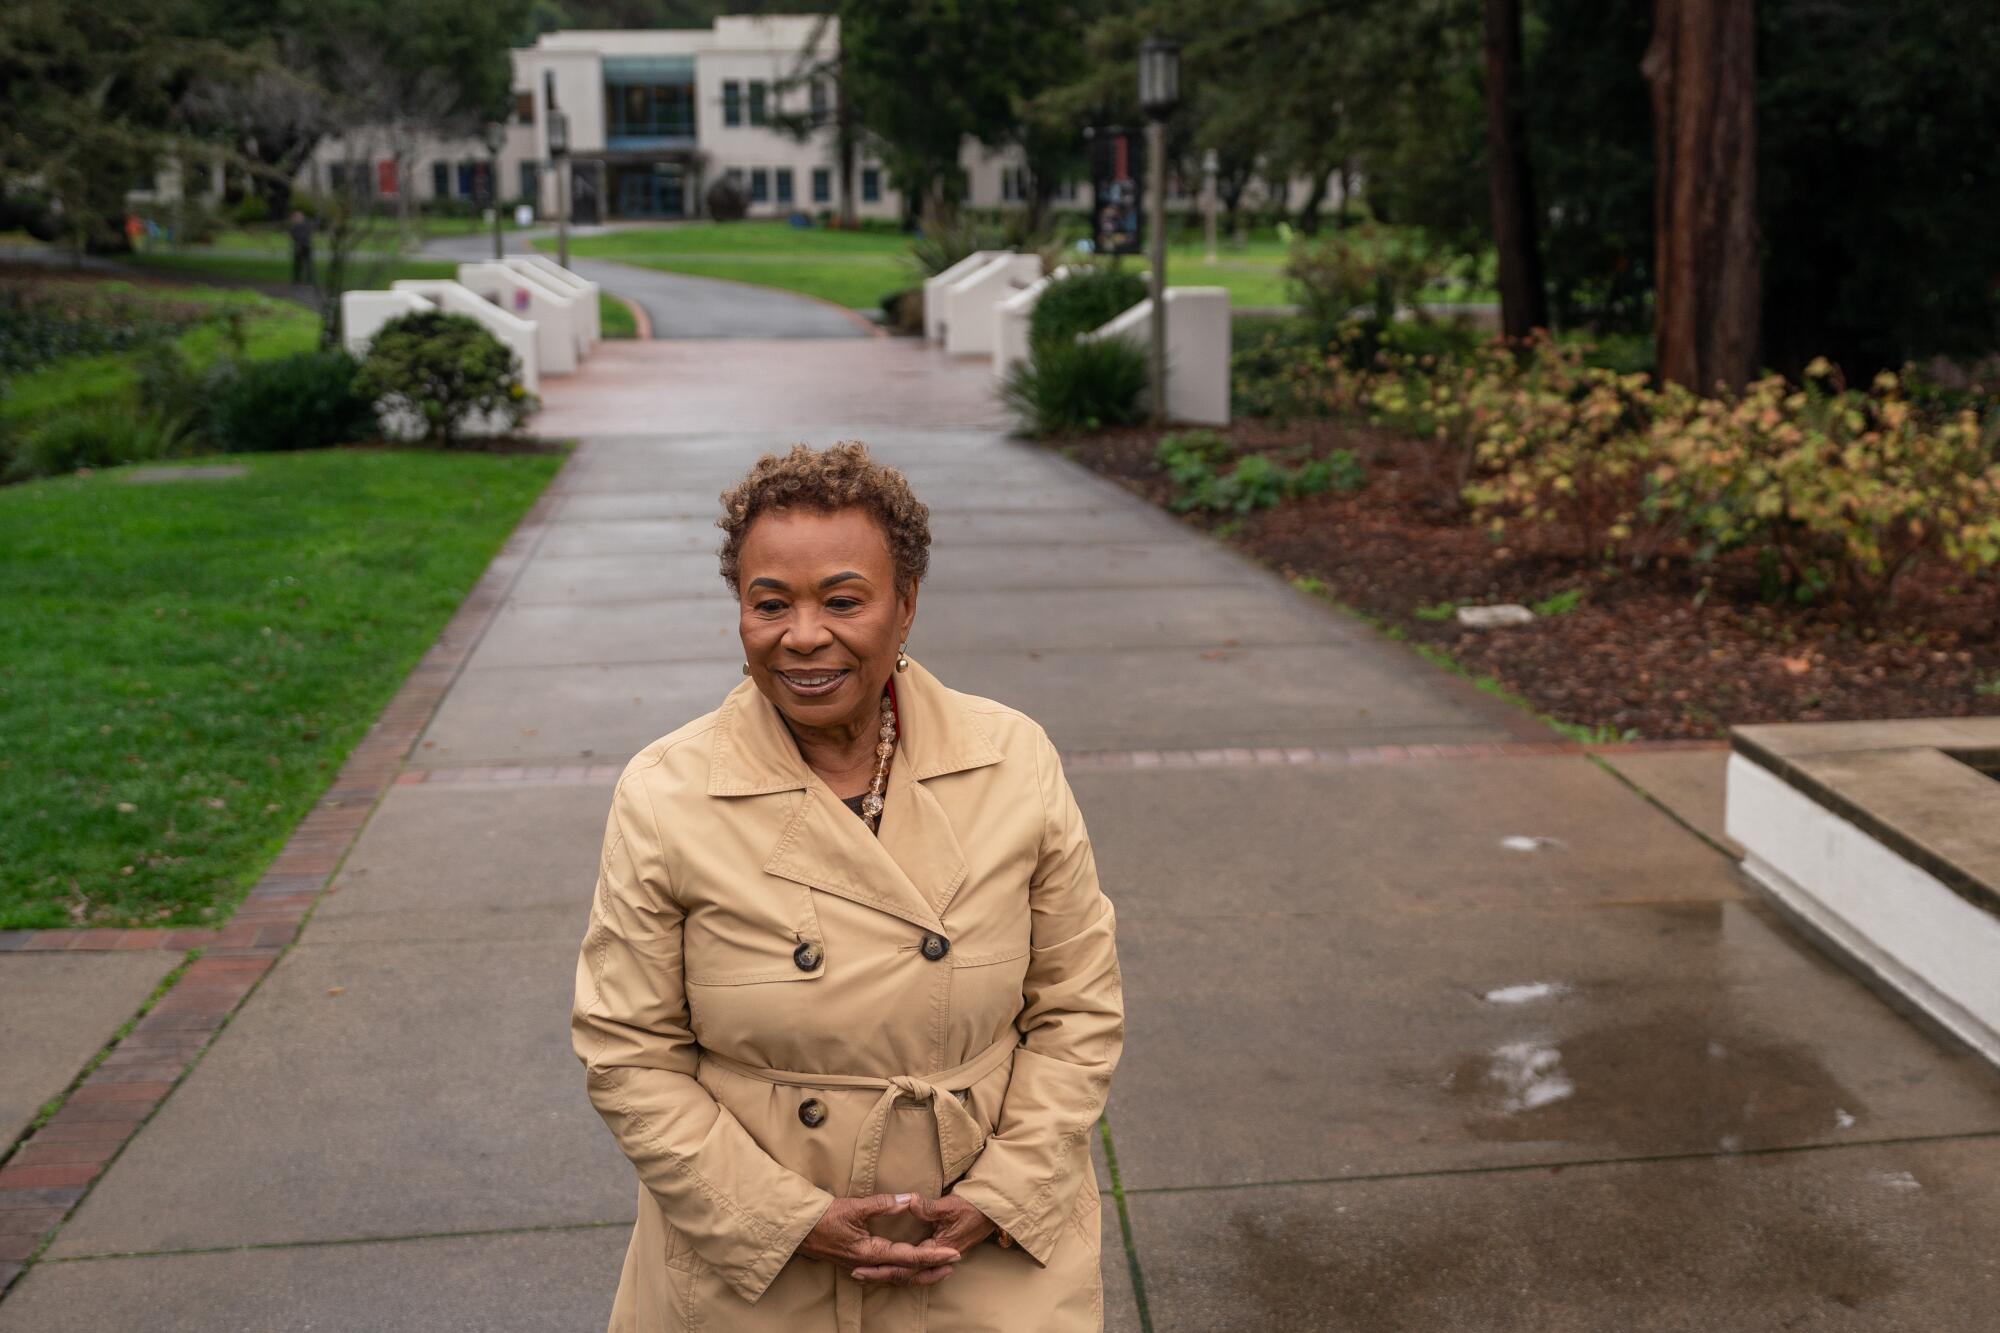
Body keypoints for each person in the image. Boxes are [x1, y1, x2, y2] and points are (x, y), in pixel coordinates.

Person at [572, 442, 1124, 1332]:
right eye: (769, 603)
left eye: (842, 599)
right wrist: (782, 1220)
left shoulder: (1012, 758)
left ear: (905, 605)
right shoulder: (668, 791)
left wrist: (1008, 1190)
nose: (802, 635)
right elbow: (628, 1050)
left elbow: (1076, 1006)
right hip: (753, 1266)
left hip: (984, 1250)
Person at [287, 210, 314, 285]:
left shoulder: (304, 225)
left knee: (307, 264)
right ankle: (297, 280)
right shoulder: (294, 226)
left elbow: (306, 236)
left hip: (305, 246)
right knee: (298, 265)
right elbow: (293, 236)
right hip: (299, 247)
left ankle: (309, 280)